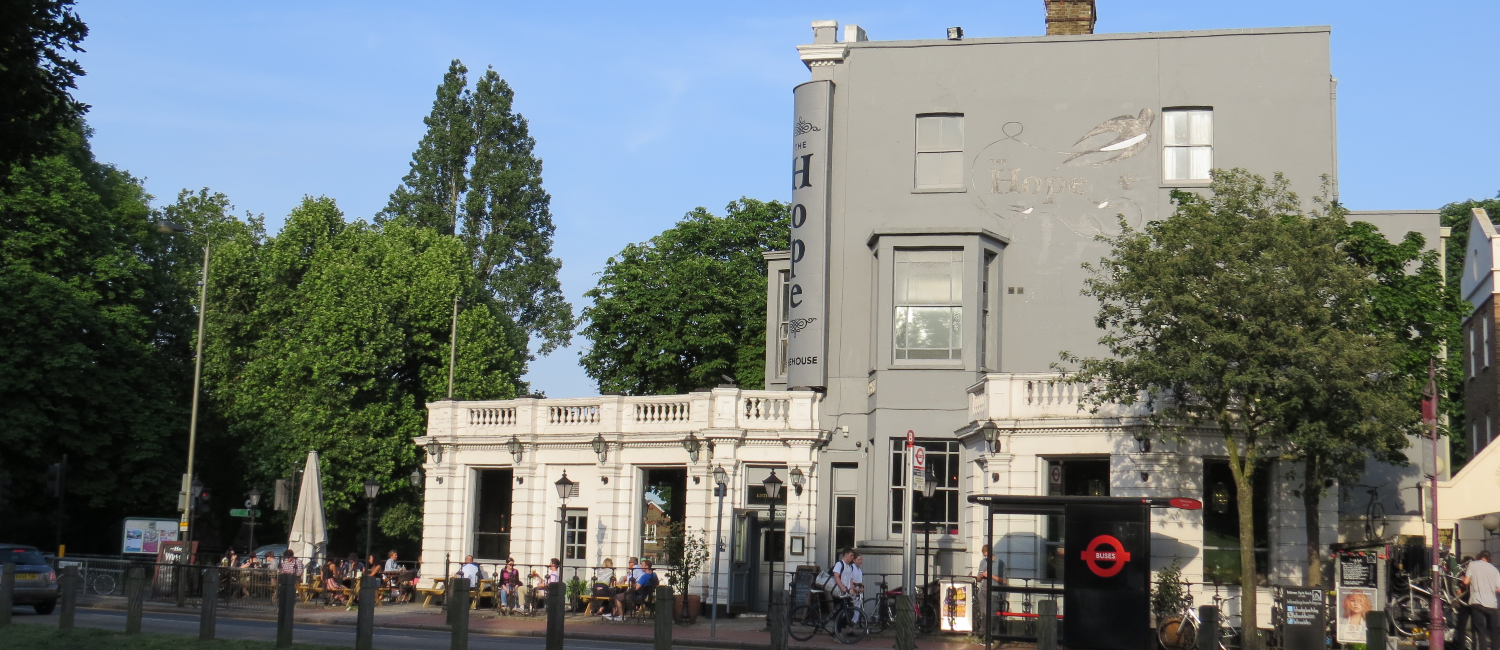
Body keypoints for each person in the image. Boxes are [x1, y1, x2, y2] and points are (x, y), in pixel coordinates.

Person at [1464, 550, 1500, 650]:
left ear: (1479, 556)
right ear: (1489, 559)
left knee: (1480, 631)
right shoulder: (1494, 570)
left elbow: (1466, 581)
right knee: (1494, 631)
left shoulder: (1472, 564)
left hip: (1477, 602)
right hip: (1492, 604)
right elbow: (1498, 589)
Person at [974, 544, 1006, 634]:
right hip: (982, 591)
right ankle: (984, 634)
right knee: (984, 613)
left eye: (988, 555)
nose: (986, 557)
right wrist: (980, 576)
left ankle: (985, 634)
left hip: (993, 592)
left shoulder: (1000, 563)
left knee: (989, 613)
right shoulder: (983, 562)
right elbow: (979, 579)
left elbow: (1004, 580)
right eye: (985, 555)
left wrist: (990, 576)